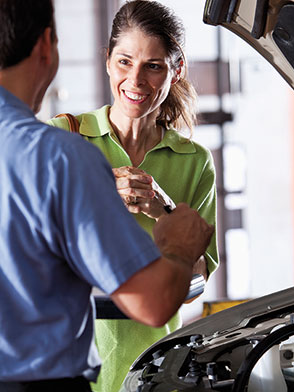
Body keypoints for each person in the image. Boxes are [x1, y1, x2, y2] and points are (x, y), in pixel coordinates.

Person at [0, 1, 214, 391]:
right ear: (106, 60)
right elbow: (151, 298)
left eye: (153, 65)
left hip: (155, 360)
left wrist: (163, 209)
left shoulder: (194, 161)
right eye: (124, 61)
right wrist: (96, 199)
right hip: (77, 355)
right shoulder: (64, 143)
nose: (135, 80)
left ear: (175, 70)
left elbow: (195, 279)